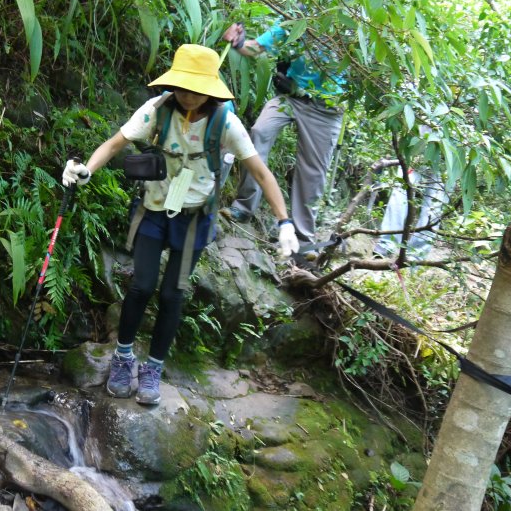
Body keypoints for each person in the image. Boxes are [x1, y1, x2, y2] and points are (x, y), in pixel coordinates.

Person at [61, 44, 299, 406]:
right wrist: (86, 171)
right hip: (154, 211)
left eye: (196, 88)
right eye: (182, 87)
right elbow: (115, 144)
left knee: (173, 295)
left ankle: (153, 367)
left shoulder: (226, 124)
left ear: (210, 89)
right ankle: (123, 359)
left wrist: (285, 222)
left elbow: (261, 174)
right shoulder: (157, 111)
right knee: (140, 286)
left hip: (194, 220)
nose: (188, 95)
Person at [223, 20, 346, 242]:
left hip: (326, 108)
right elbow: (254, 48)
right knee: (259, 132)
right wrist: (236, 40)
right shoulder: (297, 21)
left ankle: (302, 237)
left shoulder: (347, 30)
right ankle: (243, 207)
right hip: (290, 97)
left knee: (312, 171)